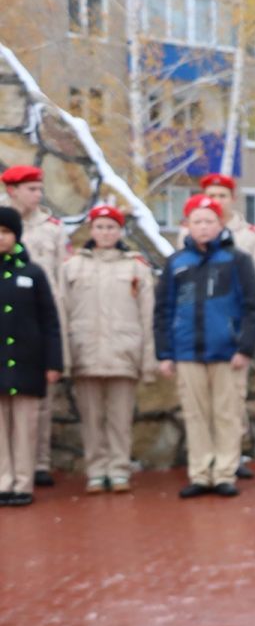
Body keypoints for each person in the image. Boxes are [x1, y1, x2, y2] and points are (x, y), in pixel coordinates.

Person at [155, 194, 255, 498]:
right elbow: (163, 310)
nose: (203, 227)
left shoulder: (237, 260)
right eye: (196, 221)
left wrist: (245, 347)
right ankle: (201, 473)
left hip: (227, 352)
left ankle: (224, 472)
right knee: (196, 415)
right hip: (187, 351)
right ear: (187, 225)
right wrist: (165, 352)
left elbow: (253, 308)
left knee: (226, 415)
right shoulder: (176, 263)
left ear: (220, 224)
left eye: (209, 221)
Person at [58, 205, 154, 493]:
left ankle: (119, 469)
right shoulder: (72, 266)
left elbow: (148, 316)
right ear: (91, 230)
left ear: (120, 231)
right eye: (100, 227)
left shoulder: (136, 267)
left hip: (123, 353)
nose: (105, 232)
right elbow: (62, 312)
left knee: (120, 419)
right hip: (85, 352)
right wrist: (64, 358)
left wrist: (147, 360)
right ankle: (97, 471)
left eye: (111, 227)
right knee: (91, 419)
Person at [181, 173, 255, 477]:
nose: (216, 201)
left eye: (221, 195)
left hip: (233, 332)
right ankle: (207, 460)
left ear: (232, 199)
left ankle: (233, 456)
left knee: (233, 398)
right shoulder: (187, 233)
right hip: (198, 334)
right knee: (201, 404)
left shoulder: (248, 236)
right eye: (211, 195)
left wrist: (251, 333)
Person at [3, 165, 71, 486]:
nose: (38, 195)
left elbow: (60, 276)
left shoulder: (52, 228)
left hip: (40, 321)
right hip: (8, 325)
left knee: (39, 401)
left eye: (39, 189)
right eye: (31, 189)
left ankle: (38, 463)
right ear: (12, 190)